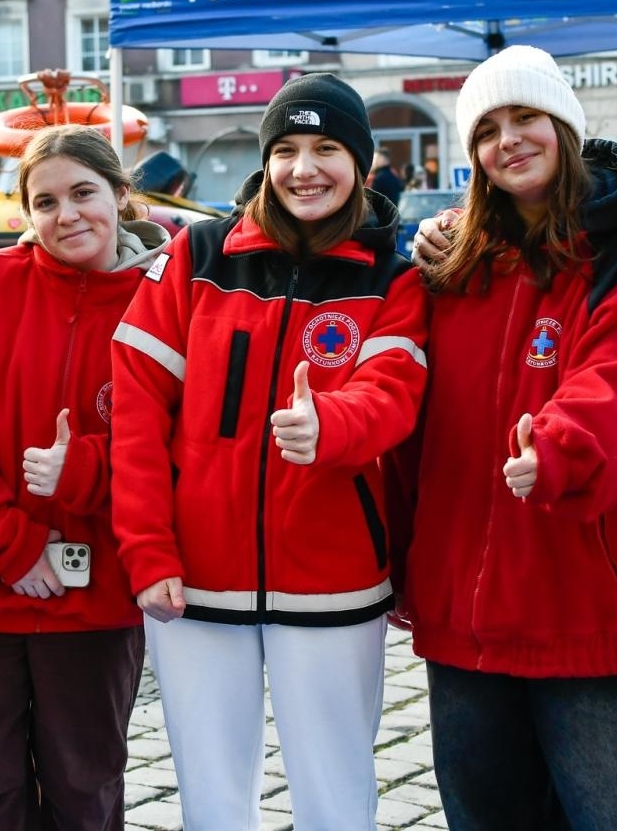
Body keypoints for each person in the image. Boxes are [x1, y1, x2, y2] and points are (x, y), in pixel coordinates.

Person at [111, 72, 429, 829]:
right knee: (212, 799)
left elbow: (393, 394)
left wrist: (332, 425)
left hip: (333, 580)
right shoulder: (199, 253)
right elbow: (137, 407)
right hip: (193, 582)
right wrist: (147, 549)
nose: (304, 168)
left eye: (326, 148)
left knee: (335, 793)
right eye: (286, 149)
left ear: (359, 161)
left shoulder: (396, 273)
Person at [390, 46, 617, 830]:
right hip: (462, 616)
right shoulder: (449, 266)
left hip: (586, 608)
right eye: (487, 129)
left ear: (564, 124)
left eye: (525, 118)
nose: (508, 140)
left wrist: (557, 447)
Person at [0, 126, 167, 829]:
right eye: (45, 202)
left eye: (84, 193)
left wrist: (87, 469)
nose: (67, 214)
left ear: (122, 195)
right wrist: (13, 549)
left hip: (95, 596)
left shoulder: (164, 305)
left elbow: (177, 444)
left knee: (85, 788)